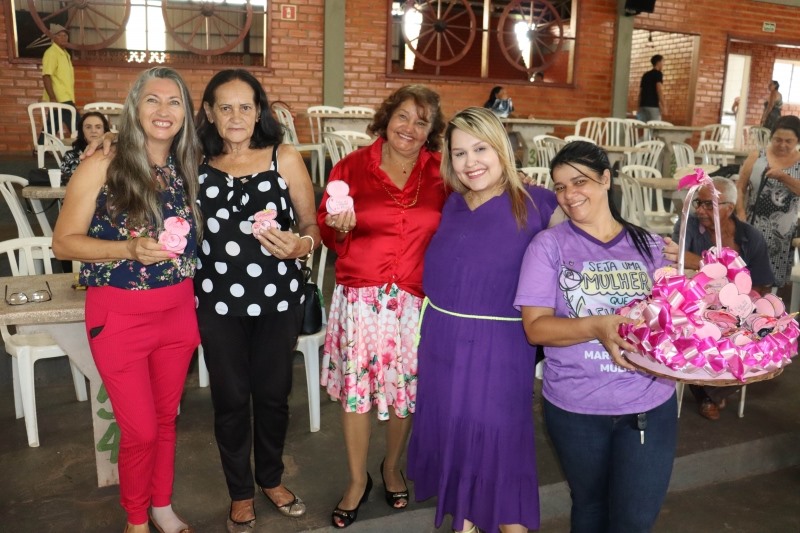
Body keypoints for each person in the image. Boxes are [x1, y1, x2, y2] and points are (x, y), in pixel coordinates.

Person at [52, 67, 201, 533]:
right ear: (134, 107)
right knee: (140, 429)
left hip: (178, 313)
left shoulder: (186, 165)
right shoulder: (104, 163)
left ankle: (162, 506)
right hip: (120, 317)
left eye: (174, 101)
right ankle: (135, 519)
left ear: (186, 114)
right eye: (152, 99)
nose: (163, 110)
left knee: (166, 419)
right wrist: (128, 249)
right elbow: (64, 243)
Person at [407, 107, 558, 533]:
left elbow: (590, 238)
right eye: (459, 153)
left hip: (500, 348)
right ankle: (467, 522)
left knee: (500, 445)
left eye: (481, 149)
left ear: (501, 149)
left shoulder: (539, 202)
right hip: (442, 343)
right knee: (456, 436)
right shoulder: (451, 203)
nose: (470, 162)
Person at [515, 141, 677, 532]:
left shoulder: (651, 246)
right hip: (576, 409)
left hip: (647, 404)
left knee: (633, 520)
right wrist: (597, 326)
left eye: (579, 181)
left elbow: (676, 320)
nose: (569, 194)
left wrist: (697, 267)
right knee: (589, 507)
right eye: (560, 186)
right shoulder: (548, 246)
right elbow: (535, 328)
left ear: (606, 179)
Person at [193, 69, 320, 533]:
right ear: (209, 113)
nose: (235, 116)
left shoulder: (283, 157)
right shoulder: (194, 160)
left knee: (272, 396)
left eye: (245, 106)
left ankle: (271, 478)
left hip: (277, 301)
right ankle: (240, 493)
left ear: (259, 111)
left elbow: (312, 224)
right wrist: (106, 141)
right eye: (224, 107)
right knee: (229, 400)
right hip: (216, 303)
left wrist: (302, 245)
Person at [318, 84, 447, 529]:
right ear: (387, 118)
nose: (409, 128)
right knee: (357, 396)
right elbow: (327, 229)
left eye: (421, 121)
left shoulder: (441, 172)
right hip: (360, 299)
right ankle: (357, 480)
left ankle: (391, 467)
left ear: (431, 131)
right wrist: (338, 226)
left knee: (404, 394)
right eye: (402, 116)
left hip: (414, 302)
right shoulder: (352, 166)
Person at [664, 177, 773, 420]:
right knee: (696, 331)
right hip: (696, 305)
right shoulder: (690, 226)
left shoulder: (750, 237)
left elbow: (763, 283)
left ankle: (709, 393)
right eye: (698, 203)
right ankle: (710, 393)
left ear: (729, 208)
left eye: (707, 204)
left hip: (741, 307)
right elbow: (676, 262)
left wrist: (738, 303)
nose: (700, 210)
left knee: (750, 335)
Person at [735, 115, 800, 292]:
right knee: (744, 275)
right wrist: (740, 212)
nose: (782, 144)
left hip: (782, 232)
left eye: (789, 141)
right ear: (771, 137)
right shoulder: (758, 156)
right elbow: (740, 187)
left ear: (797, 141)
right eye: (778, 139)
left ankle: (766, 308)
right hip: (752, 224)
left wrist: (784, 177)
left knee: (770, 280)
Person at [42, 23, 78, 134]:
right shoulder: (51, 53)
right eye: (59, 35)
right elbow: (46, 76)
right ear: (53, 37)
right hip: (61, 98)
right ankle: (85, 145)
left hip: (65, 97)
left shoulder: (65, 54)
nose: (63, 38)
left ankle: (41, 143)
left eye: (65, 35)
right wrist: (52, 98)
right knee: (78, 126)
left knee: (52, 126)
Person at [60, 111, 111, 183]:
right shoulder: (70, 156)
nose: (93, 131)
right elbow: (62, 181)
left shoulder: (113, 154)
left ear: (105, 131)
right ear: (82, 131)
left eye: (98, 127)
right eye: (88, 127)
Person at [637, 54, 666, 122]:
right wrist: (664, 105)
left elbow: (641, 92)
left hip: (643, 106)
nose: (663, 64)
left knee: (642, 127)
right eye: (663, 61)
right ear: (658, 62)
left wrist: (638, 107)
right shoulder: (658, 74)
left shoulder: (645, 75)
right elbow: (659, 90)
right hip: (653, 106)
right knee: (655, 127)